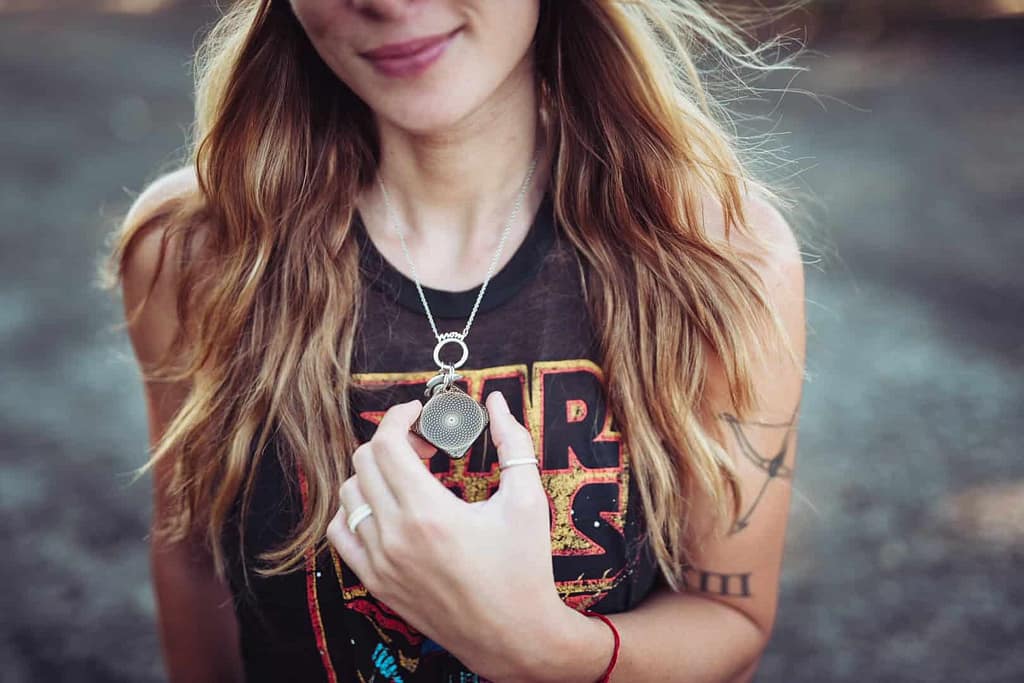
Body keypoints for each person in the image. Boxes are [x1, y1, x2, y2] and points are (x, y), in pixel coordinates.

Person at [99, 0, 808, 681]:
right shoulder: (196, 251)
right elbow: (195, 557)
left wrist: (544, 651)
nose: (386, 2)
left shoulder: (719, 254)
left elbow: (729, 622)